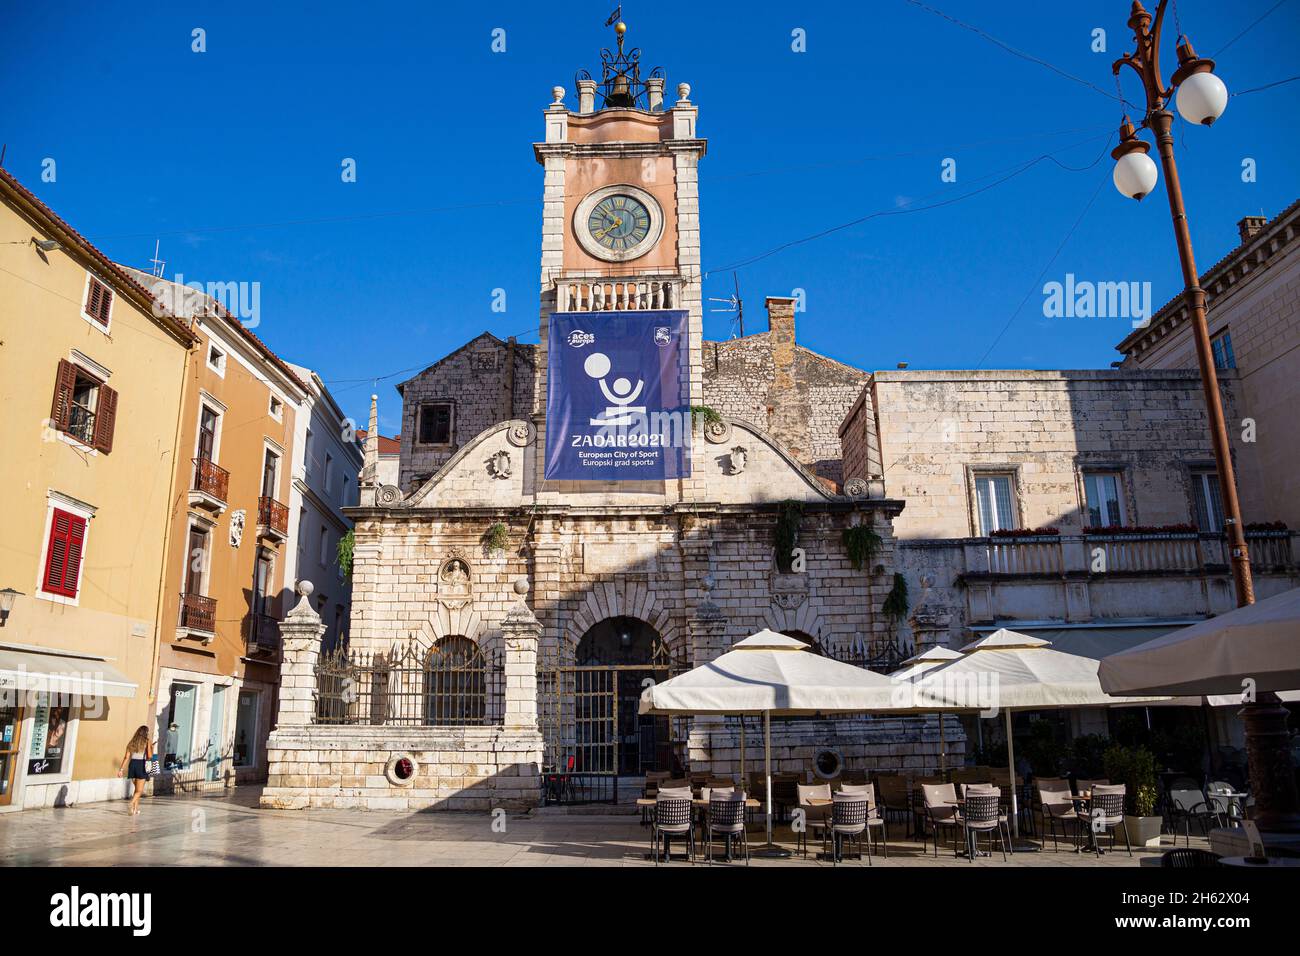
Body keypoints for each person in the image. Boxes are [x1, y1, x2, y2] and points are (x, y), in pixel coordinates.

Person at [117, 725, 152, 815]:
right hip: (141, 765)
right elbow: (149, 756)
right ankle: (131, 803)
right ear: (146, 733)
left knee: (136, 790)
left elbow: (126, 757)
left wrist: (121, 769)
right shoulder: (147, 741)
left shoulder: (131, 742)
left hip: (132, 765)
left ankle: (135, 810)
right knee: (139, 791)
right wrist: (151, 747)